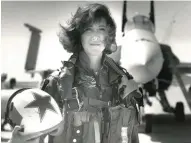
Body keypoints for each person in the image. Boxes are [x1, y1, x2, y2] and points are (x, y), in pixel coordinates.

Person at [10, 3, 142, 143]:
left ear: (108, 36)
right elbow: (34, 138)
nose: (96, 36)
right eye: (89, 30)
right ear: (79, 36)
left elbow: (131, 136)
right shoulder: (57, 84)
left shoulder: (125, 84)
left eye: (101, 29)